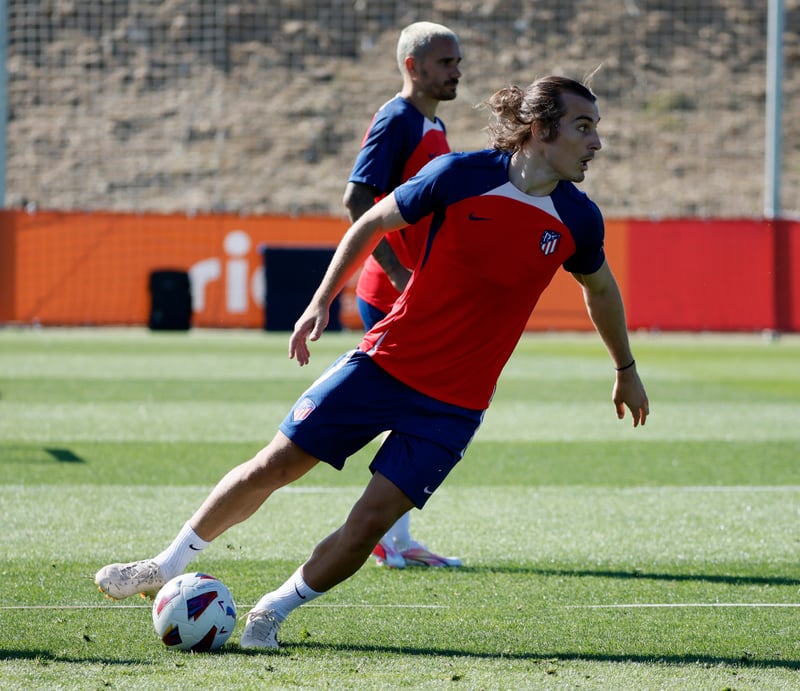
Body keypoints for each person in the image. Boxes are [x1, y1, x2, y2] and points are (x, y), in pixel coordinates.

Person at [95, 75, 650, 650]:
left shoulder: (578, 218)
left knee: (368, 526)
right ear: (540, 129)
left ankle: (271, 613)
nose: (596, 143)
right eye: (583, 127)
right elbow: (371, 222)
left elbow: (601, 289)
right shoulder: (459, 176)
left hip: (454, 405)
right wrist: (321, 300)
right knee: (274, 465)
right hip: (383, 364)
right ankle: (164, 565)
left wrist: (625, 369)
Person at [343, 21, 463, 569]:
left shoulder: (430, 123)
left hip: (415, 290)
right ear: (413, 66)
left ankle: (393, 537)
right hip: (392, 292)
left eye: (457, 61)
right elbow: (357, 199)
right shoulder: (397, 119)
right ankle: (389, 540)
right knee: (412, 410)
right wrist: (397, 275)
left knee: (415, 412)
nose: (456, 71)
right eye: (445, 62)